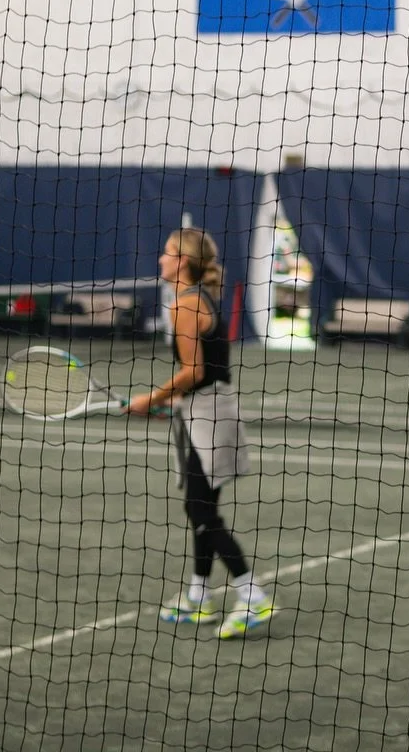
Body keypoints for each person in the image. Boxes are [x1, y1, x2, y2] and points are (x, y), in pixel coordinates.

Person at [127, 228, 275, 639]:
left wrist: (152, 398)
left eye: (168, 253)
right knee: (199, 507)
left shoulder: (185, 305)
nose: (161, 259)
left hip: (209, 413)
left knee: (202, 511)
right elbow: (205, 372)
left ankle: (252, 595)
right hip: (206, 408)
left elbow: (194, 371)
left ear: (184, 262)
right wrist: (172, 403)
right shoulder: (197, 299)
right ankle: (199, 596)